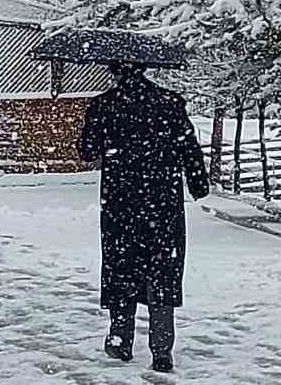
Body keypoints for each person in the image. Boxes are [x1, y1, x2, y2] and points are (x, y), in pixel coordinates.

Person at [78, 62, 209, 373]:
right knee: (163, 270)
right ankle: (162, 349)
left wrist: (98, 131)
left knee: (121, 268)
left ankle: (121, 339)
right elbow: (189, 148)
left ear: (115, 72)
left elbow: (86, 150)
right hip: (162, 203)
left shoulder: (103, 105)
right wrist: (198, 183)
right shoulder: (170, 103)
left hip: (121, 204)